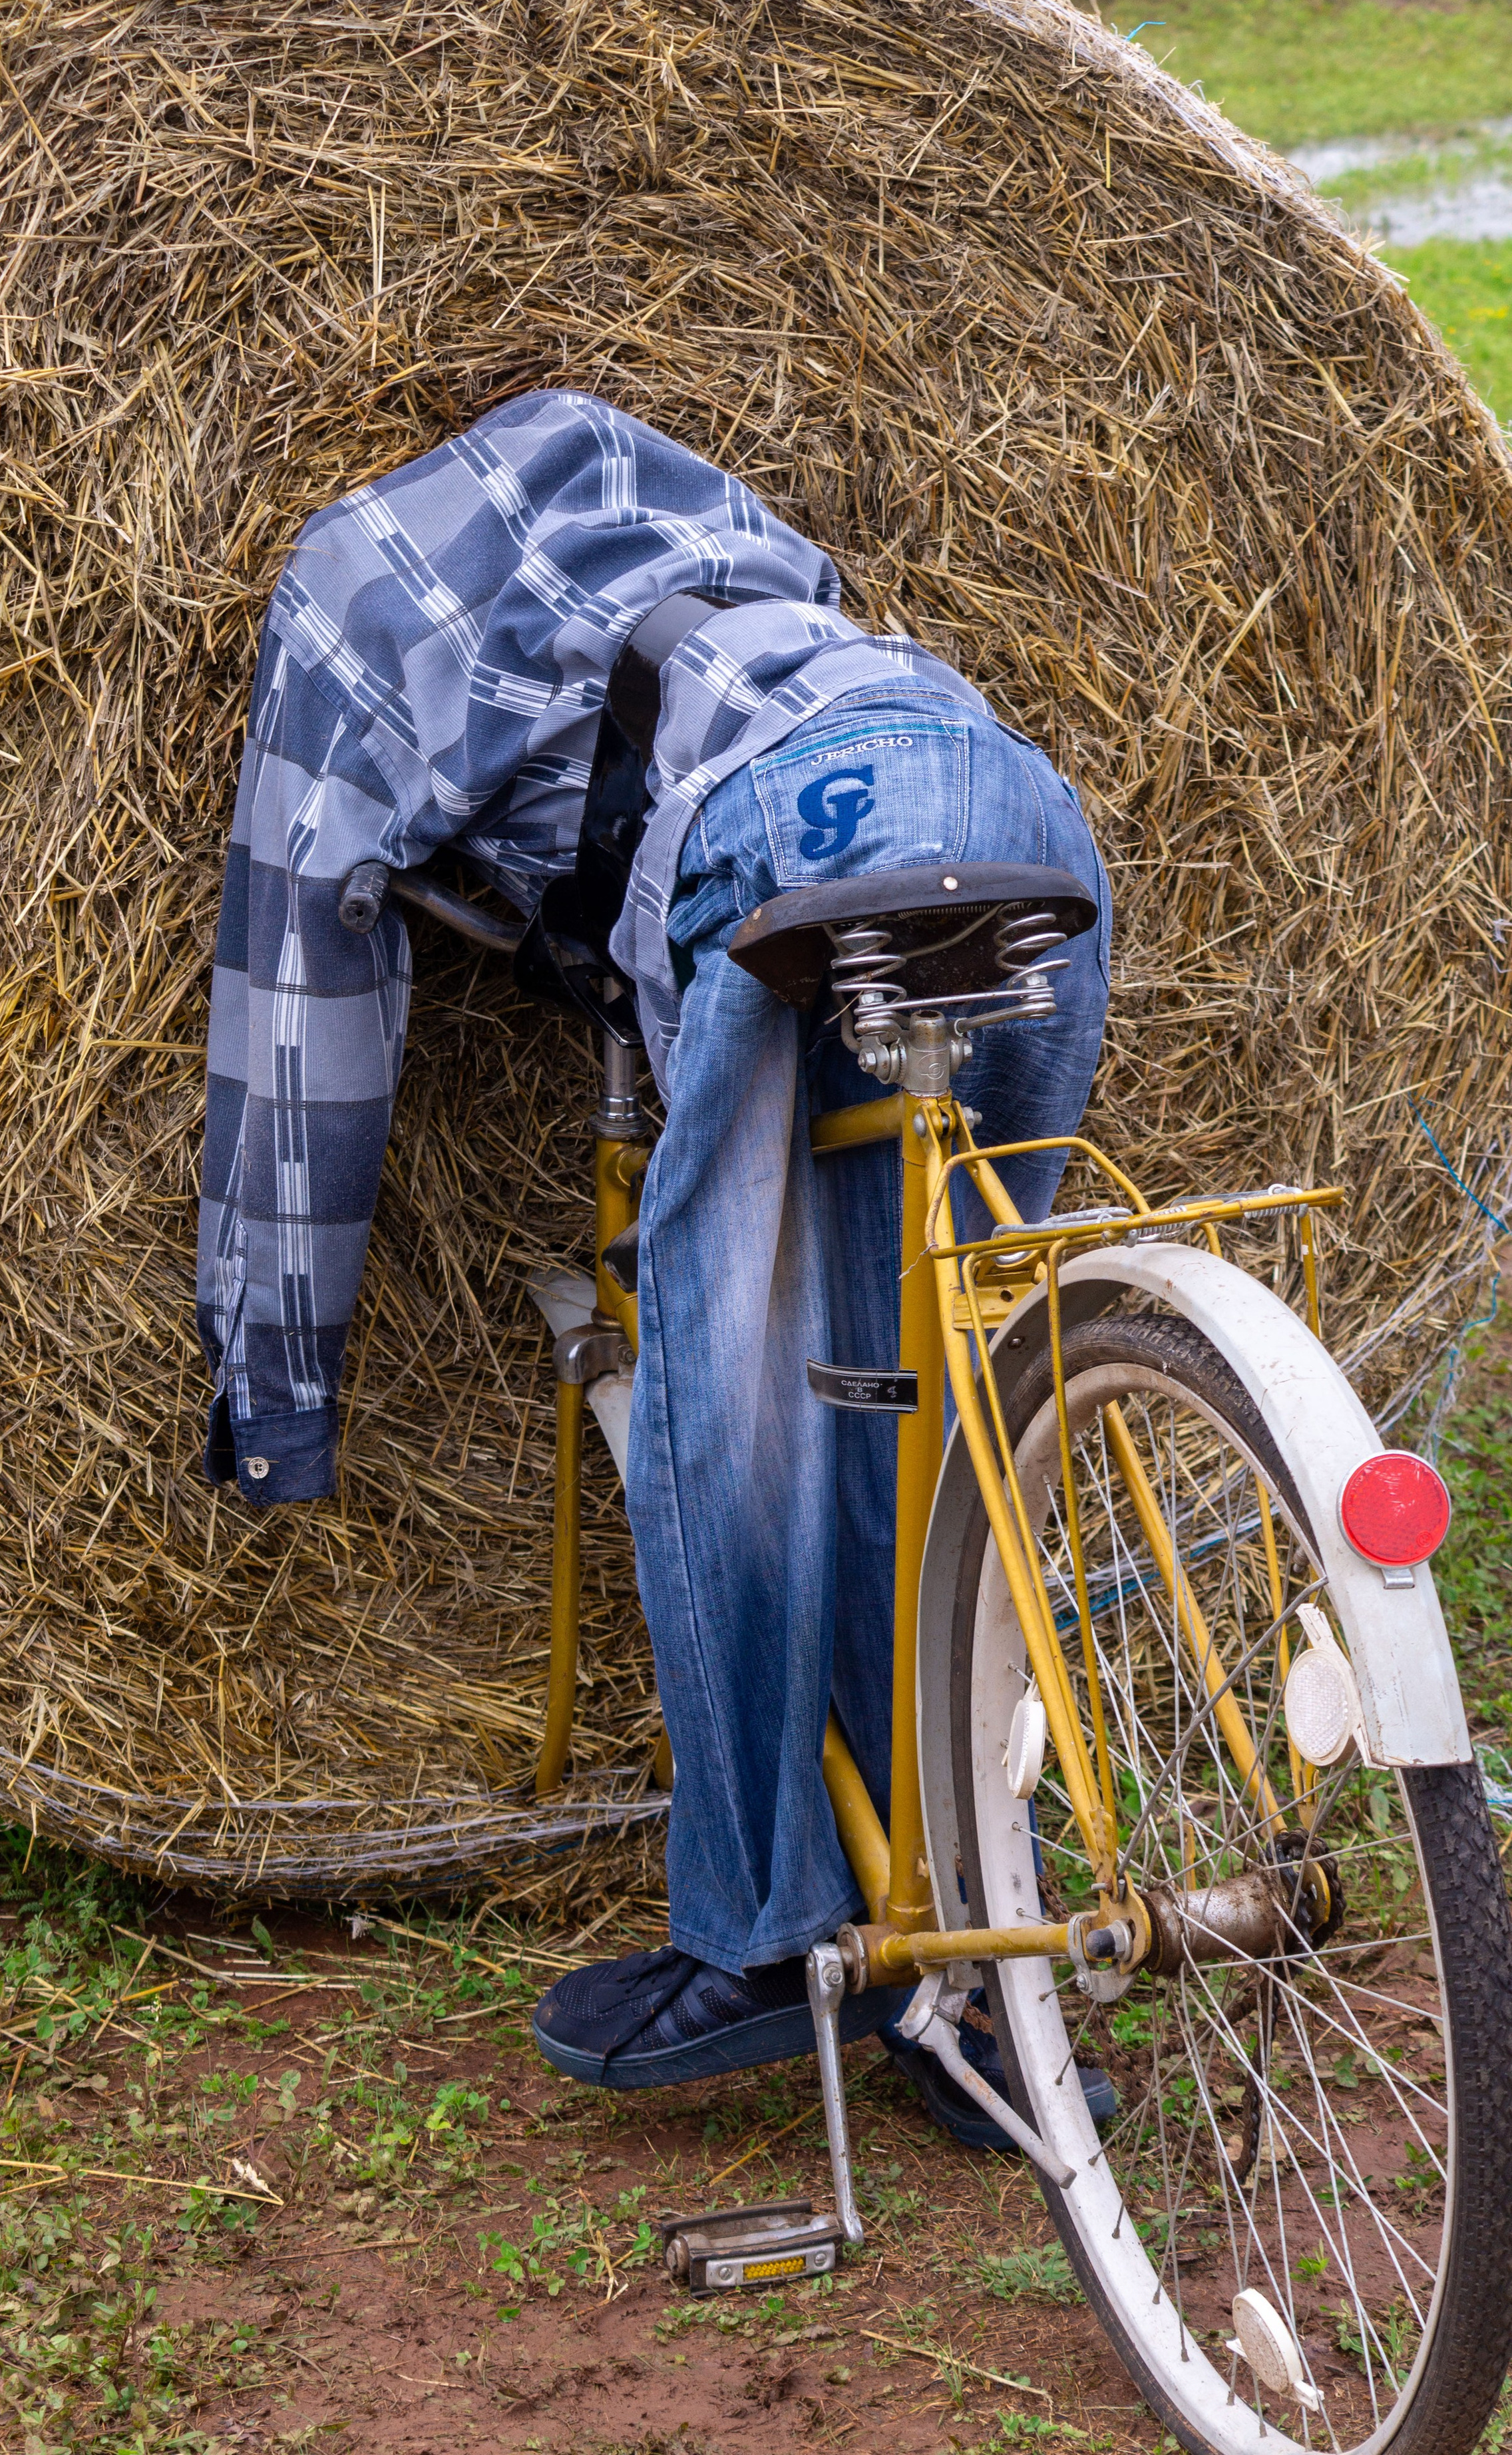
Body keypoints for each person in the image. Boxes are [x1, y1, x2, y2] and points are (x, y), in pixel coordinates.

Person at [197, 388, 1113, 2144]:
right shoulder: (704, 504)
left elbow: (297, 1010)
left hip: (788, 832)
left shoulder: (341, 594)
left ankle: (768, 1932)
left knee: (742, 1389)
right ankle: (979, 1955)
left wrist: (274, 1396)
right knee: (944, 1388)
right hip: (1010, 794)